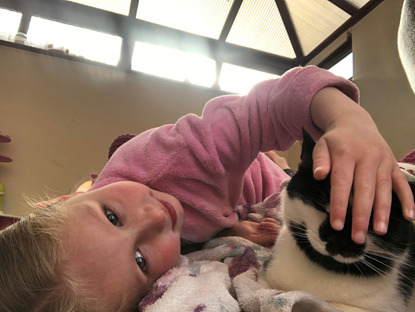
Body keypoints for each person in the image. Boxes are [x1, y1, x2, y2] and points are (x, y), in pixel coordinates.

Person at [1, 66, 414, 312]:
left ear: (63, 197)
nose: (155, 216)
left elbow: (272, 102)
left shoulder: (169, 159)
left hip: (268, 174)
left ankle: (278, 162)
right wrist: (228, 232)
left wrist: (349, 120)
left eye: (113, 216)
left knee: (283, 167)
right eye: (142, 260)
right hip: (246, 198)